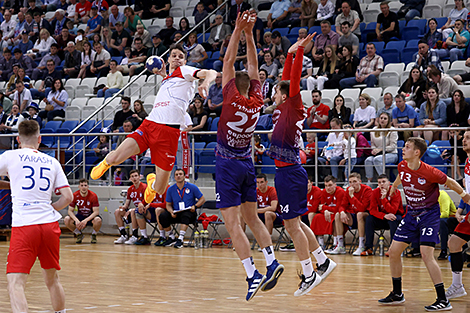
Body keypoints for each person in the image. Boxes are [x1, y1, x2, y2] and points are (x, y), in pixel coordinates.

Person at [91, 43, 217, 206]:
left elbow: (211, 72)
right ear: (168, 59)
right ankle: (106, 162)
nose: (177, 59)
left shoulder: (185, 71)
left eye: (181, 56)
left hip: (169, 134)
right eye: (174, 56)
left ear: (185, 61)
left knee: (161, 187)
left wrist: (206, 82)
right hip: (150, 126)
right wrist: (164, 73)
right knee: (115, 157)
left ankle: (150, 183)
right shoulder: (167, 79)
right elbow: (170, 82)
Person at [215, 12, 285, 301]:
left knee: (234, 225)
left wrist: (236, 30)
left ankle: (252, 274)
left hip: (228, 164)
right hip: (247, 163)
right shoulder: (257, 100)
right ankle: (271, 262)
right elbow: (253, 64)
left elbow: (228, 61)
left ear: (232, 85)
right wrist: (249, 34)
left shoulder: (230, 97)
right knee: (253, 219)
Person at [269, 31, 337, 295]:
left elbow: (292, 80)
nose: (275, 92)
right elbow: (287, 79)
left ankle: (309, 274)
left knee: (292, 225)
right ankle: (323, 261)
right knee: (293, 222)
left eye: (277, 91)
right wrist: (289, 54)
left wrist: (298, 52)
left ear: (284, 96)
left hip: (290, 173)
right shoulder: (284, 107)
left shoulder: (293, 104)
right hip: (287, 171)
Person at [378, 137, 470, 310]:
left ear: (417, 152)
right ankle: (397, 294)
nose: (403, 149)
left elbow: (449, 181)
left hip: (429, 215)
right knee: (394, 251)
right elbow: (400, 176)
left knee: (426, 254)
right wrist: (393, 187)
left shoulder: (430, 171)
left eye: (407, 147)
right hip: (411, 214)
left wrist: (465, 196)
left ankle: (443, 299)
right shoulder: (402, 165)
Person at [2, 120, 73, 313]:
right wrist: (51, 206)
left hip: (25, 225)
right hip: (49, 225)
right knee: (52, 280)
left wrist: (10, 185)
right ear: (39, 139)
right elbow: (68, 197)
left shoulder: (10, 156)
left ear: (18, 139)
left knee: (15, 283)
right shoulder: (52, 161)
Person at [446, 130, 470, 300]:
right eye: (464, 137)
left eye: (468, 138)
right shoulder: (468, 161)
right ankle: (457, 285)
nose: (464, 140)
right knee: (454, 243)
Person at [158, 169, 205, 248]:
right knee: (162, 216)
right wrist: (171, 212)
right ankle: (172, 237)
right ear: (174, 177)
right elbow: (168, 205)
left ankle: (180, 239)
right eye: (176, 175)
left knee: (185, 215)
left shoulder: (192, 187)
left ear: (184, 176)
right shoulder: (170, 189)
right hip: (177, 212)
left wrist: (195, 206)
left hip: (189, 211)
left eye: (180, 174)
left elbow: (202, 199)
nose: (178, 176)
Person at [361, 174, 404, 256]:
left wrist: (384, 199)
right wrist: (383, 216)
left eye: (384, 182)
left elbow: (393, 211)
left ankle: (393, 249)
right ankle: (368, 248)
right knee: (369, 219)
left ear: (389, 183)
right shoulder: (375, 192)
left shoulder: (395, 192)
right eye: (379, 182)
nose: (381, 184)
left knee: (393, 219)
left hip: (395, 216)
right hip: (383, 217)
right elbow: (372, 210)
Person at [330, 173, 371, 255]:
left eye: (355, 181)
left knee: (360, 214)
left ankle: (361, 245)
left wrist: (352, 196)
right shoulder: (348, 190)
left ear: (360, 181)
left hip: (366, 218)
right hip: (353, 217)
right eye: (350, 182)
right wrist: (342, 212)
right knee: (338, 215)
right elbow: (342, 205)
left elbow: (362, 208)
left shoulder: (367, 190)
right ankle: (340, 245)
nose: (352, 184)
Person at [310, 175, 347, 250]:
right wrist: (325, 210)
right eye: (326, 185)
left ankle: (336, 243)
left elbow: (338, 208)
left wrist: (325, 208)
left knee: (336, 216)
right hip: (329, 213)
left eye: (330, 185)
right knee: (317, 217)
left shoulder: (340, 192)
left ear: (335, 185)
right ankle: (320, 243)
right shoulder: (324, 192)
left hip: (339, 214)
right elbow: (320, 208)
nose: (328, 188)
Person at [364, 113, 398, 186]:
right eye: (381, 118)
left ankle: (383, 181)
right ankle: (370, 182)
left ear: (388, 120)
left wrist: (380, 149)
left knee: (377, 159)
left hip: (391, 153)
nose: (382, 120)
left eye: (385, 118)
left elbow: (393, 146)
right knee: (368, 160)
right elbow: (372, 144)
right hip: (378, 153)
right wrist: (374, 150)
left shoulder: (392, 130)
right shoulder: (374, 129)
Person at [64, 179, 101, 244]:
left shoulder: (93, 196)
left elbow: (96, 212)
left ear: (88, 186)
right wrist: (76, 220)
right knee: (67, 219)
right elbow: (70, 211)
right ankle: (79, 234)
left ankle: (94, 235)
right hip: (80, 215)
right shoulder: (75, 195)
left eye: (85, 185)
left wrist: (85, 220)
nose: (83, 187)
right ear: (79, 186)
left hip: (90, 216)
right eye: (82, 185)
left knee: (98, 220)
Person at [113, 169, 145, 244]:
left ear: (139, 177)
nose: (134, 178)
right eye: (132, 177)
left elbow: (145, 203)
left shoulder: (144, 187)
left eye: (136, 176)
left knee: (133, 211)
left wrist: (131, 210)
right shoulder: (130, 189)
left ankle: (135, 236)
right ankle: (123, 235)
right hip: (133, 211)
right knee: (117, 212)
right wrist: (123, 207)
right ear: (130, 179)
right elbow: (127, 204)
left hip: (142, 211)